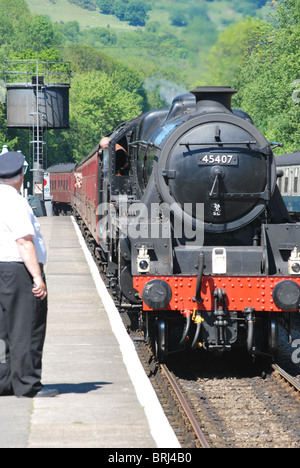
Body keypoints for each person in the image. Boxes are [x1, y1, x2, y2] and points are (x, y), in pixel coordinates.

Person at [0, 151, 58, 398]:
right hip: (18, 271)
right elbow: (24, 242)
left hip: (2, 270)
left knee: (3, 330)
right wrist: (37, 277)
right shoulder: (15, 202)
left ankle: (5, 382)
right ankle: (28, 385)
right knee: (26, 328)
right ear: (20, 176)